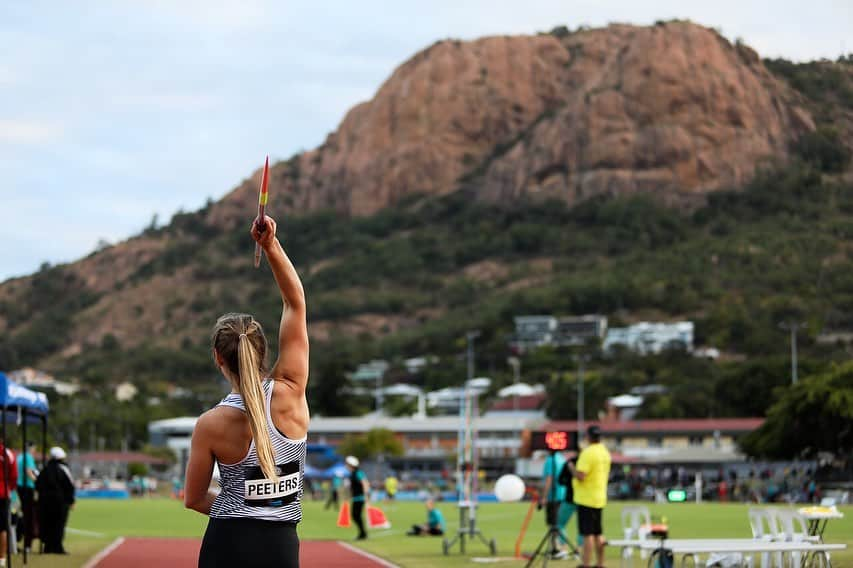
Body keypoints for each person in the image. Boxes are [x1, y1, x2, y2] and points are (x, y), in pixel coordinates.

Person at [184, 215, 309, 568]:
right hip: (281, 547)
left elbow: (194, 499)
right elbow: (295, 303)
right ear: (262, 349)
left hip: (227, 544)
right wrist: (270, 245)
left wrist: (240, 504)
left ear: (217, 358)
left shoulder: (210, 424)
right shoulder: (291, 393)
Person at [568, 425, 611, 568]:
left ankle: (585, 564)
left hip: (586, 498)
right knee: (598, 533)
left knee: (588, 534)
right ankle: (600, 563)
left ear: (588, 437)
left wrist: (571, 468)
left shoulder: (588, 453)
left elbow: (581, 475)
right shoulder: (604, 452)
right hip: (599, 497)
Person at [36, 446, 73, 555]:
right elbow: (69, 486)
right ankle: (57, 547)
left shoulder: (44, 469)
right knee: (59, 525)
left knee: (47, 523)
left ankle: (47, 547)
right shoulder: (64, 469)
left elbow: (38, 485)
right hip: (60, 503)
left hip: (44, 503)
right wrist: (71, 500)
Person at [539, 447, 567, 559]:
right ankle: (556, 548)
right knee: (557, 523)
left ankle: (559, 549)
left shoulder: (550, 460)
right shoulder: (562, 458)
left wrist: (544, 497)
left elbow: (549, 479)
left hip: (553, 496)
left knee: (553, 524)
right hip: (562, 494)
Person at [17, 441, 38, 555]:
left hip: (19, 488)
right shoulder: (28, 457)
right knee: (29, 518)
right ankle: (27, 545)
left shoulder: (19, 457)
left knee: (22, 516)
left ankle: (18, 542)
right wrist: (38, 482)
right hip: (27, 489)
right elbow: (29, 472)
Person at [0, 441, 17, 566]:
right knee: (2, 527)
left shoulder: (8, 453)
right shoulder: (8, 453)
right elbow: (14, 476)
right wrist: (8, 488)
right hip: (3, 493)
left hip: (3, 492)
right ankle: (2, 558)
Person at [345, 456, 369, 540]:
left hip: (360, 497)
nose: (346, 466)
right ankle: (362, 533)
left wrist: (366, 495)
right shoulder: (352, 474)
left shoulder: (358, 473)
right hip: (355, 498)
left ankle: (363, 534)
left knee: (356, 516)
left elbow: (365, 483)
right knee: (356, 516)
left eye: (347, 464)